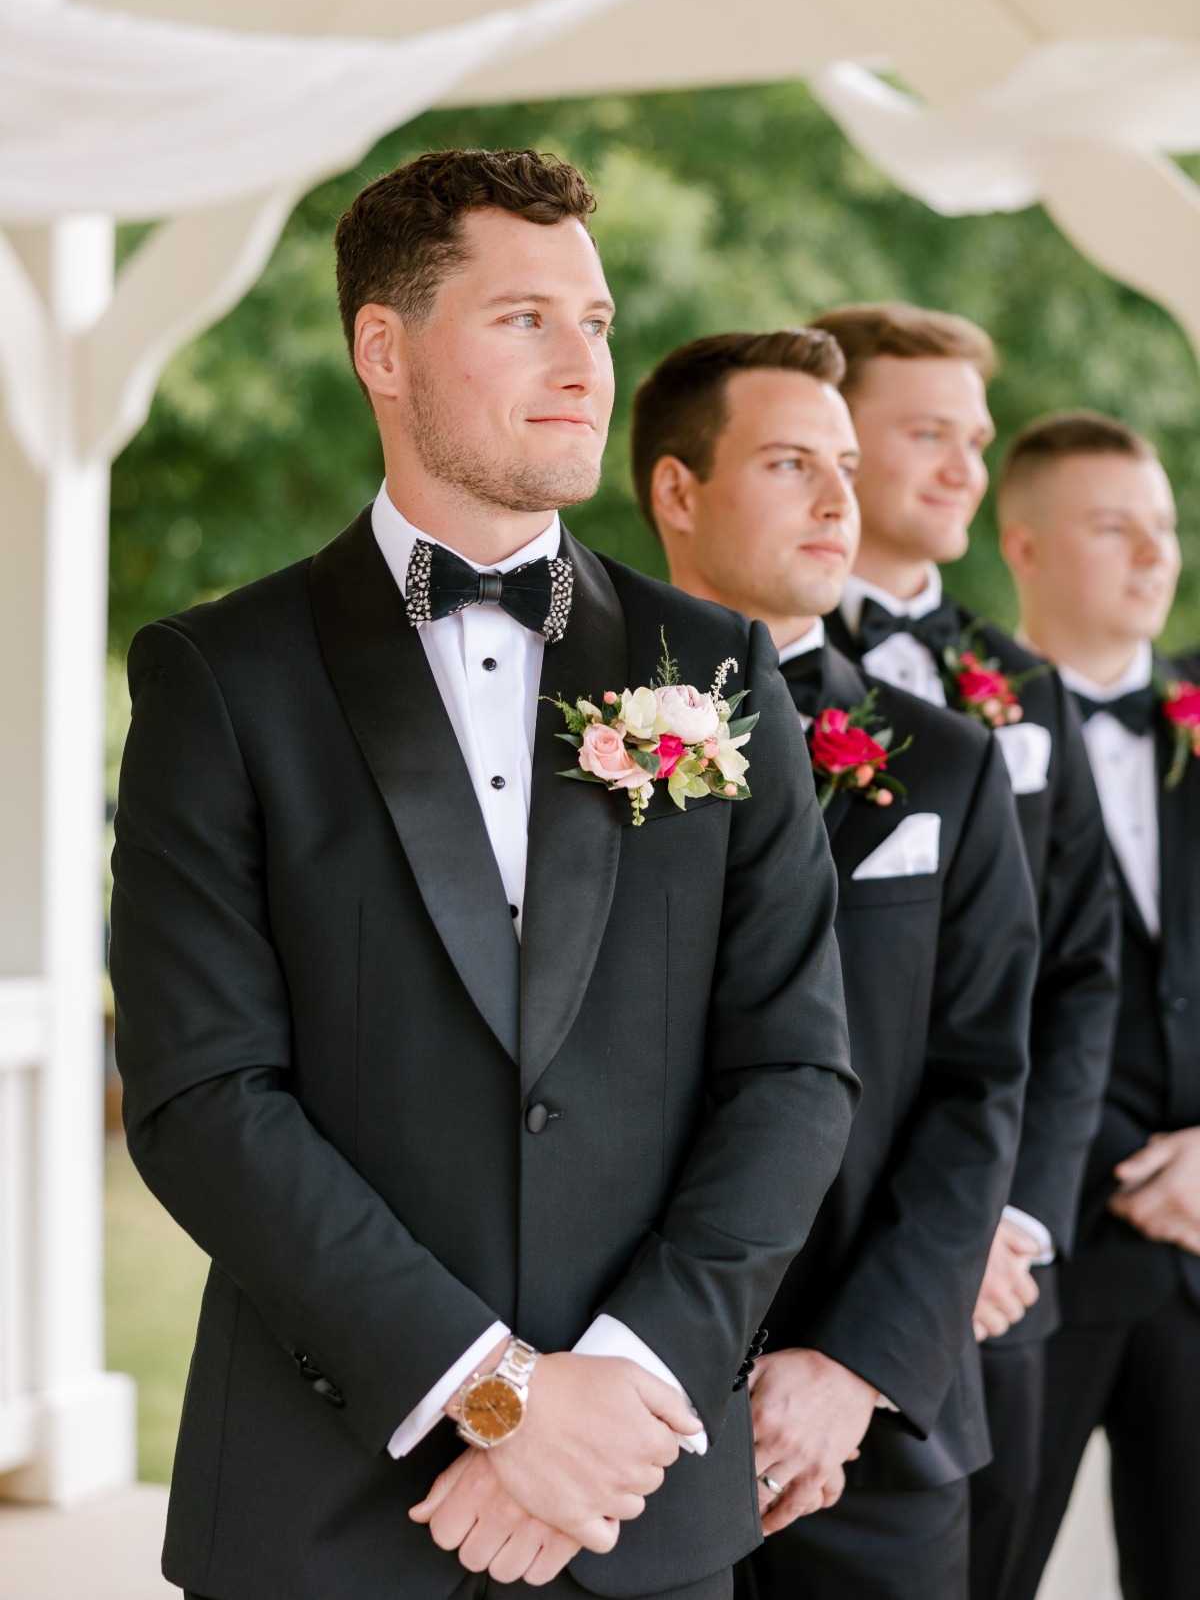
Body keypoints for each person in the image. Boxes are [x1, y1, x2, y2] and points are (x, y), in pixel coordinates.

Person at [109, 150, 859, 1600]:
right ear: (381, 349)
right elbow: (203, 1094)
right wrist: (496, 1393)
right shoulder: (218, 676)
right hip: (316, 1509)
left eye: (597, 320)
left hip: (637, 1500)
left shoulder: (714, 666)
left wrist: (616, 1395)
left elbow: (795, 1069)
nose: (582, 361)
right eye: (524, 317)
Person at [630, 328, 1038, 1600]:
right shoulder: (558, 746)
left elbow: (979, 1084)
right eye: (792, 461)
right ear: (679, 491)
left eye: (849, 465)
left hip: (874, 1427)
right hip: (614, 1411)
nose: (838, 502)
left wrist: (851, 1364)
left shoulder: (951, 765)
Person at [811, 304, 1119, 1600]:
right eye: (924, 433)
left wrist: (1017, 1221)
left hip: (996, 1277)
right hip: (814, 1267)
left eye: (975, 439)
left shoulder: (1022, 682)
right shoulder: (722, 670)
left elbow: (1078, 969)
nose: (961, 469)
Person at [994, 412, 1200, 1600]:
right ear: (1022, 545)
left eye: (1164, 526)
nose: (1153, 553)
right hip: (1038, 1258)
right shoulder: (957, 729)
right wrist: (1132, 1165)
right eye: (1115, 526)